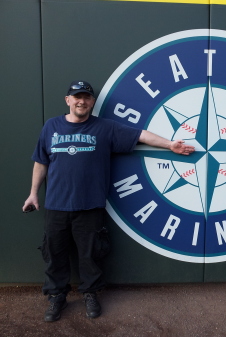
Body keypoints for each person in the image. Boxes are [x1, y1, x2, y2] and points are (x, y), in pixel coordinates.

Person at [22, 80, 195, 322]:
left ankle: (90, 293)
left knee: (90, 254)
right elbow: (41, 161)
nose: (82, 101)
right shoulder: (52, 126)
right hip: (56, 205)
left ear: (92, 102)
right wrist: (33, 193)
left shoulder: (104, 128)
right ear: (68, 100)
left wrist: (170, 144)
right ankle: (56, 297)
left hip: (90, 205)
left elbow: (140, 135)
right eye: (77, 97)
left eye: (86, 97)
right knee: (55, 254)